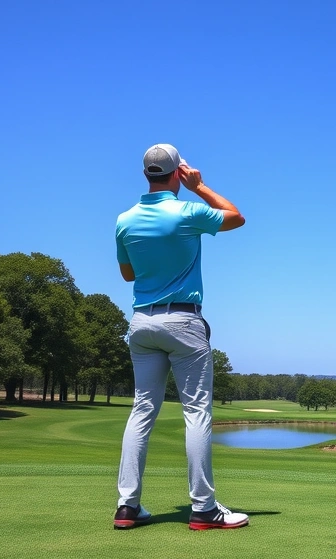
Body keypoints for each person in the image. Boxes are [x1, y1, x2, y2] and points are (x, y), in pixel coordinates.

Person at [113, 143, 247, 530]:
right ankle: (203, 509)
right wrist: (200, 187)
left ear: (145, 174)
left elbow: (128, 275)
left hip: (141, 324)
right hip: (183, 323)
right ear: (177, 173)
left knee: (142, 411)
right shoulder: (188, 211)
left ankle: (127, 506)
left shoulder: (124, 220)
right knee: (196, 412)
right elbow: (236, 217)